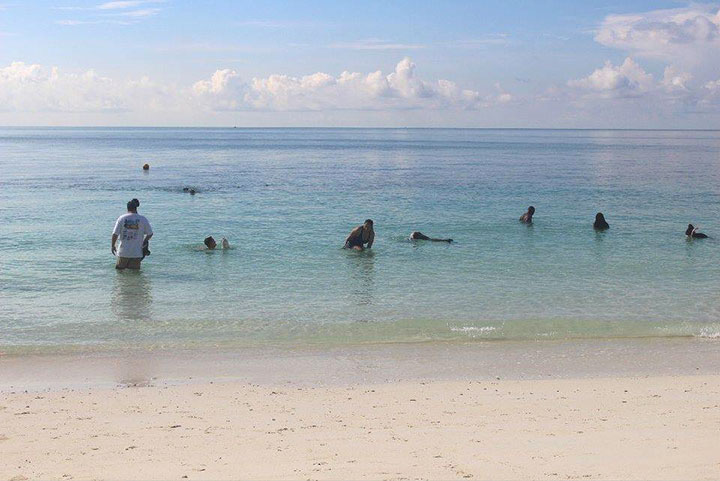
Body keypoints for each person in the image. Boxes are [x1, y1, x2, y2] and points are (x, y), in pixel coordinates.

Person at [111, 199, 153, 270]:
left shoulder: (122, 218)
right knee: (135, 274)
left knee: (119, 274)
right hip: (136, 253)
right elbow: (150, 234)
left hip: (123, 252)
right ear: (136, 208)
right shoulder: (143, 219)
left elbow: (115, 234)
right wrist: (144, 241)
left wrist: (113, 246)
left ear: (127, 208)